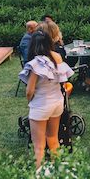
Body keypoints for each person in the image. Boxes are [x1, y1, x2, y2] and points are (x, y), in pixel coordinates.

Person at [20, 29, 74, 170]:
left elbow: (29, 90)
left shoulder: (35, 64)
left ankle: (39, 175)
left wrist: (30, 101)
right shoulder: (57, 59)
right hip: (57, 103)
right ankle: (58, 170)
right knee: (53, 139)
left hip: (41, 105)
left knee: (38, 146)